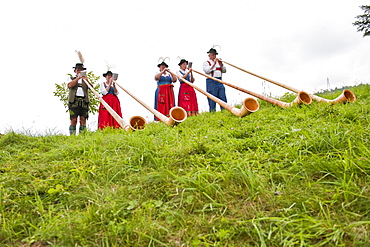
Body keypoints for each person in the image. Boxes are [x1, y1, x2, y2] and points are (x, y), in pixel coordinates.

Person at [67, 63, 92, 135]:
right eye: (78, 70)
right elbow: (70, 85)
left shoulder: (85, 80)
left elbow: (91, 87)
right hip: (74, 101)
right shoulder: (71, 78)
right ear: (75, 71)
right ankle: (72, 136)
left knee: (83, 119)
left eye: (81, 70)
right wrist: (78, 78)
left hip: (84, 101)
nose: (79, 72)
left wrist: (86, 80)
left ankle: (82, 136)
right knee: (73, 119)